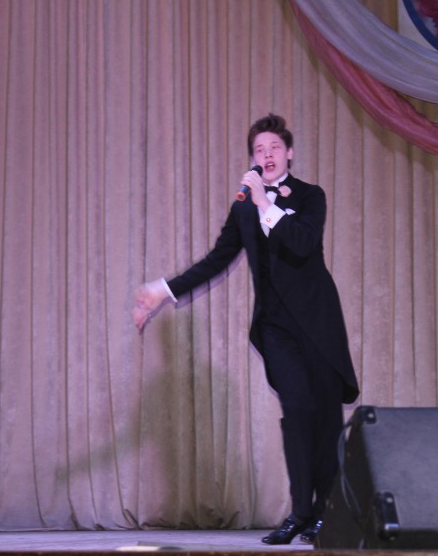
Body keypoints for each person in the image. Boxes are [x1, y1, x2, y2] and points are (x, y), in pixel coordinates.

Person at [132, 113, 359, 545]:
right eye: (259, 150)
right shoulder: (243, 207)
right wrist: (164, 290)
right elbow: (217, 260)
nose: (266, 155)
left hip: (319, 322)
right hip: (276, 326)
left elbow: (303, 243)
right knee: (297, 411)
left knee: (326, 417)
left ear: (289, 153)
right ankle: (301, 512)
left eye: (274, 148)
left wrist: (266, 204)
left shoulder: (310, 196)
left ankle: (325, 515)